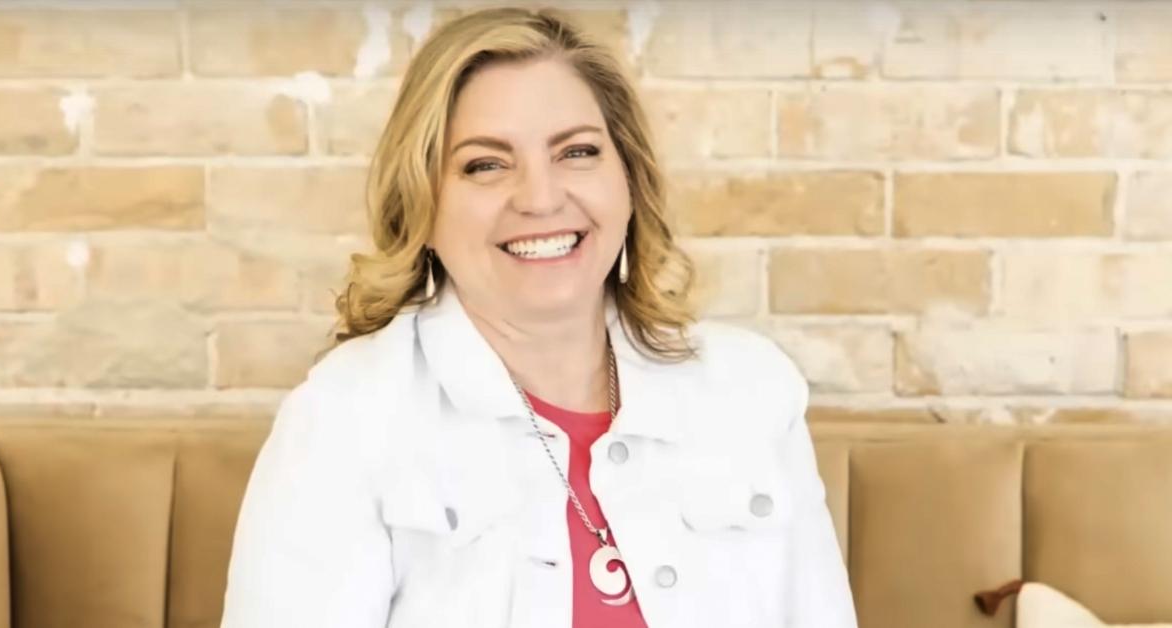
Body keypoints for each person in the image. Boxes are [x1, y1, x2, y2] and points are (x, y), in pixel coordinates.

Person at [220, 7, 856, 628]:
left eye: (576, 153)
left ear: (628, 182)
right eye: (486, 164)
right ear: (423, 206)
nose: (542, 198)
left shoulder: (752, 390)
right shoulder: (345, 419)